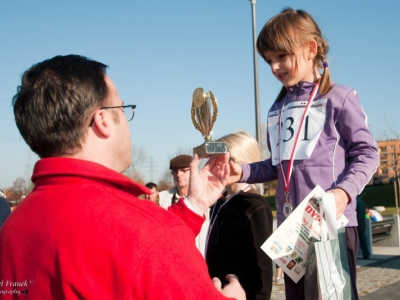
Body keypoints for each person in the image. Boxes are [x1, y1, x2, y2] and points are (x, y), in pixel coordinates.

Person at [0, 55, 245, 299]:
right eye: (123, 108)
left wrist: (195, 204)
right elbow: (140, 242)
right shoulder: (150, 233)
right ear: (103, 121)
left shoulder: (12, 229)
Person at [228, 8, 379, 300]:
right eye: (269, 59)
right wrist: (243, 171)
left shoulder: (340, 98)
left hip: (331, 223)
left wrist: (344, 193)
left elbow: (367, 154)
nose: (274, 67)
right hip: (291, 229)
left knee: (335, 295)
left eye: (281, 57)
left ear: (310, 49)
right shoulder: (278, 108)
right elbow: (277, 166)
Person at [206, 131, 273, 300]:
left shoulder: (254, 205)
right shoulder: (219, 201)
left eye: (219, 159)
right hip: (215, 289)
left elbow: (262, 268)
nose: (214, 164)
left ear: (236, 162)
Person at [159, 154, 210, 257]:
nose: (178, 175)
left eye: (183, 170)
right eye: (175, 171)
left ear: (193, 171)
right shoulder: (162, 200)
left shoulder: (206, 198)